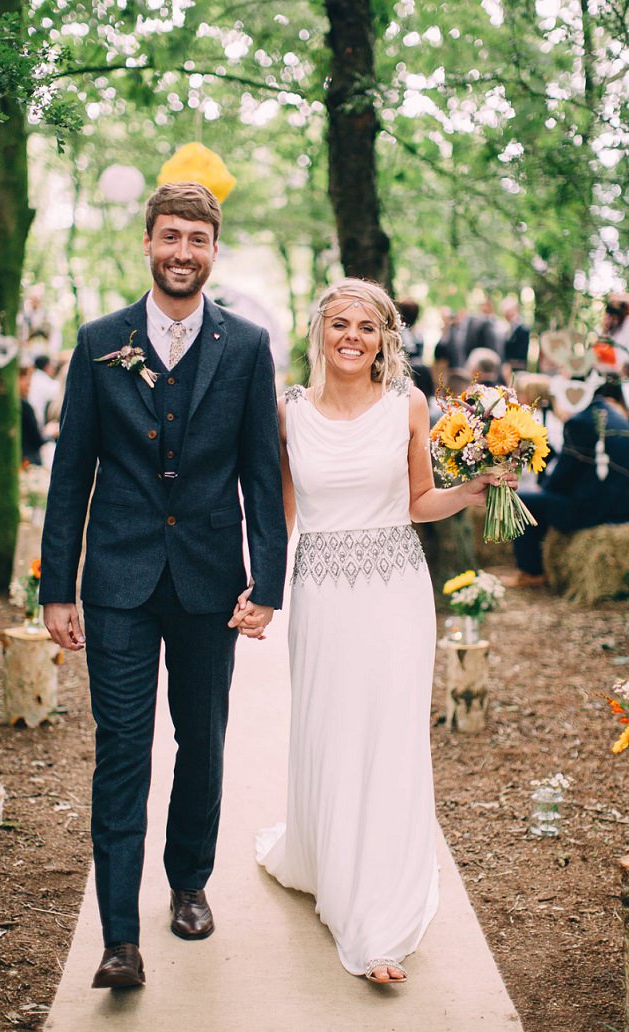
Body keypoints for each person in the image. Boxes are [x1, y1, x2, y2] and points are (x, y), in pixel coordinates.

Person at [40, 182, 287, 990]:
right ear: (148, 242)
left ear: (214, 250)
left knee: (203, 741)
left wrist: (268, 581)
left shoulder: (247, 346)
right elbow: (71, 471)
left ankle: (188, 884)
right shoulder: (99, 340)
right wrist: (57, 587)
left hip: (211, 581)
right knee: (121, 750)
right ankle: (117, 938)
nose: (184, 251)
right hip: (116, 578)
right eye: (171, 236)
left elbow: (259, 471)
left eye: (199, 240)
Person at [238, 278, 513, 985]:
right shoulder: (289, 412)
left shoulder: (409, 405)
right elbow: (286, 514)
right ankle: (327, 859)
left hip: (396, 591)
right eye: (339, 324)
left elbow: (420, 500)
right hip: (323, 594)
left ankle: (377, 917)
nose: (351, 336)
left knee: (389, 739)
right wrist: (260, 589)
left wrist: (476, 488)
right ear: (319, 332)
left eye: (366, 325)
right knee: (332, 732)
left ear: (384, 336)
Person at [509, 377, 629, 586]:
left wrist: (544, 489)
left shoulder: (580, 422)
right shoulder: (617, 417)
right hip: (621, 509)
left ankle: (531, 572)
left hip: (591, 511)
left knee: (522, 501)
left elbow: (561, 478)